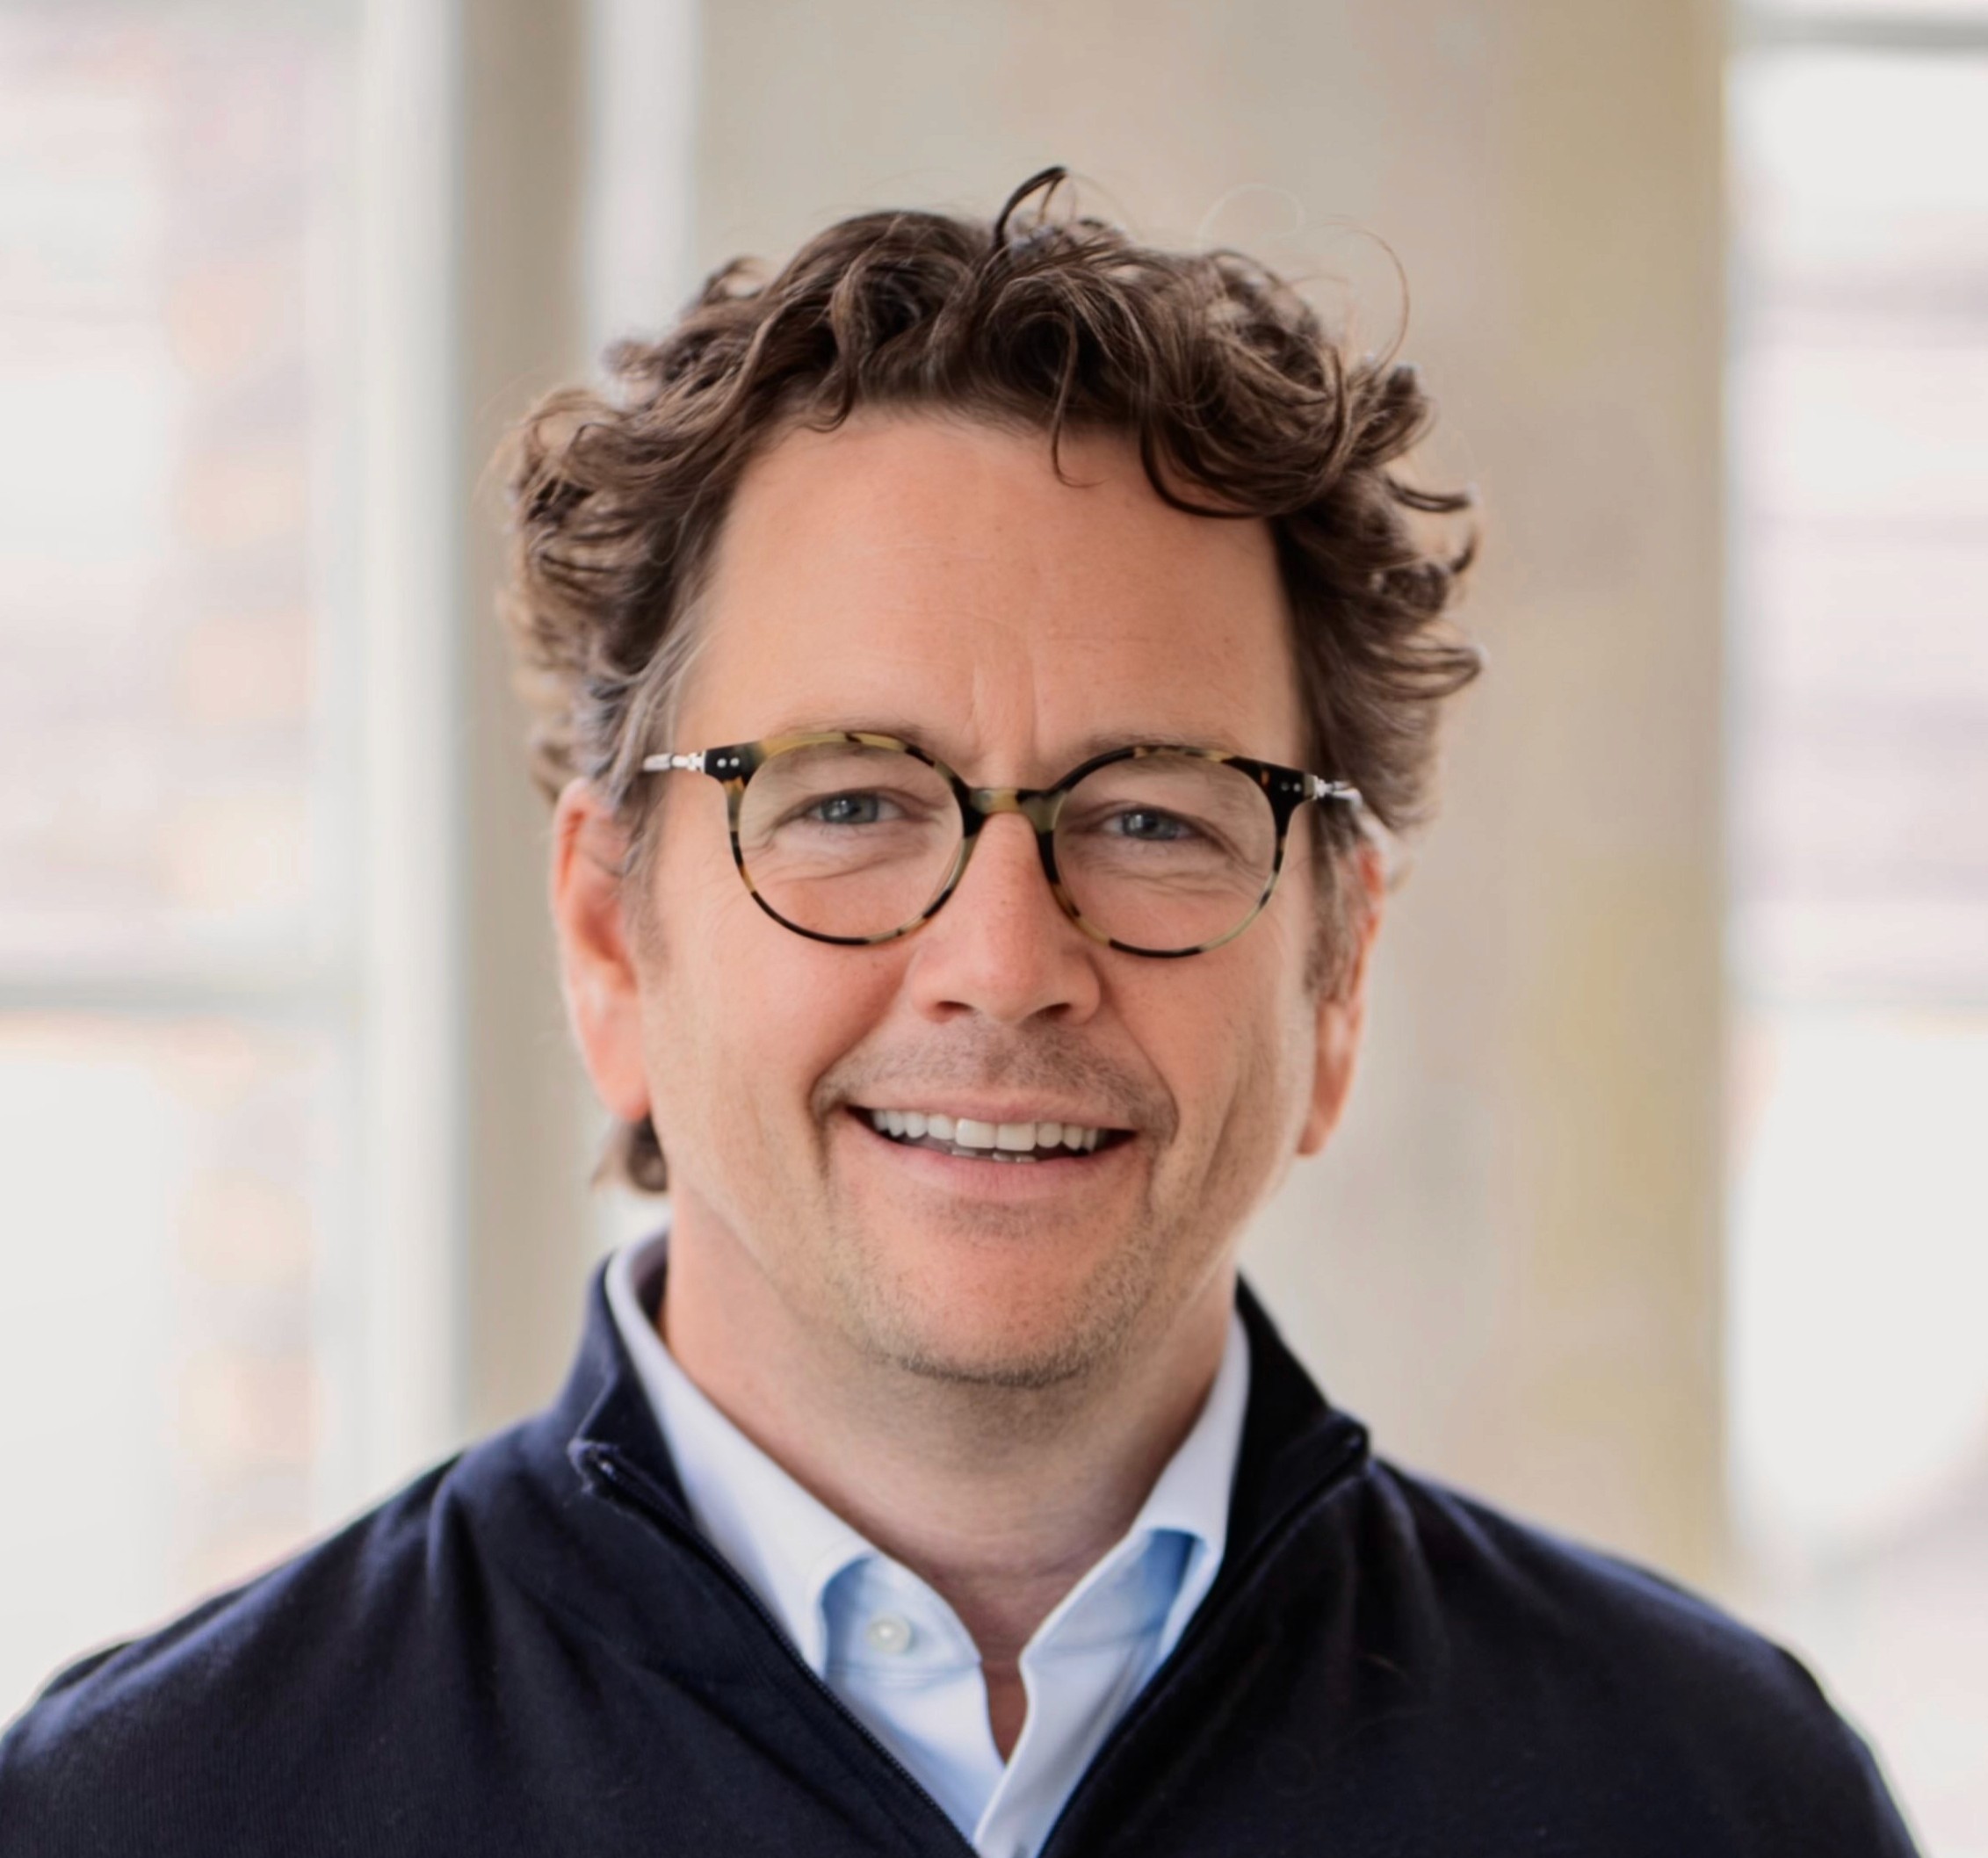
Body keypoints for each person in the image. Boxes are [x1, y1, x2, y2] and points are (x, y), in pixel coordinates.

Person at [0, 170, 1917, 1858]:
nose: (1005, 958)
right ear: (607, 936)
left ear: (1335, 972)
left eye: (1153, 816)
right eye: (847, 803)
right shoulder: (150, 1820)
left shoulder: (1723, 1804)